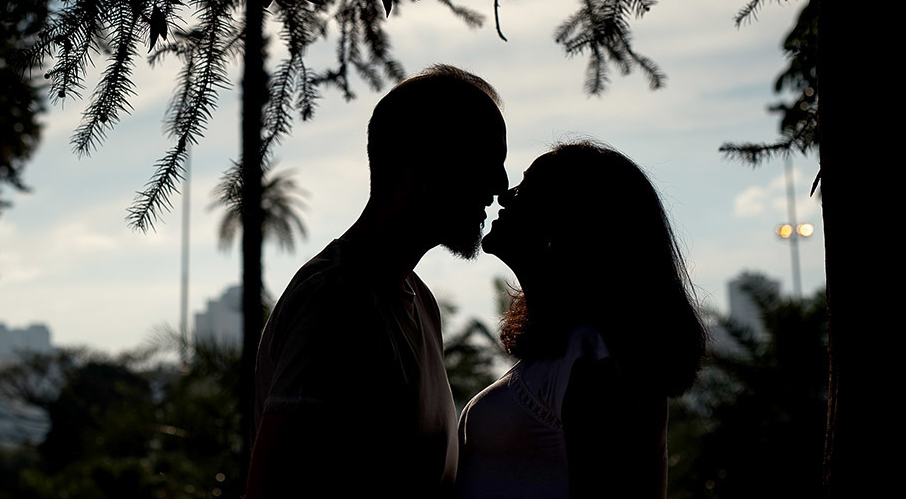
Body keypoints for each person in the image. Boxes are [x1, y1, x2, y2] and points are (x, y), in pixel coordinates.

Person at [246, 65, 510, 499]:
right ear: (425, 162)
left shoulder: (417, 300)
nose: (500, 185)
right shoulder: (334, 302)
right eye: (485, 159)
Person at [455, 141, 707, 499]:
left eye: (525, 189)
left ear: (570, 221)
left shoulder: (593, 360)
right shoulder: (573, 351)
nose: (504, 198)